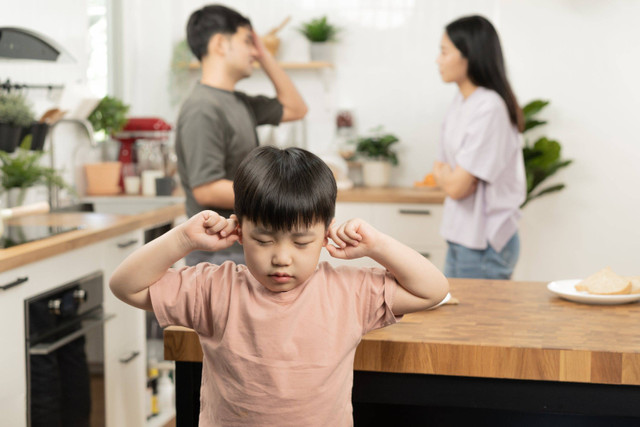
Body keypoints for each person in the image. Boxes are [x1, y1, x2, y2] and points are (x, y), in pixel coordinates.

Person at [110, 146, 449, 426]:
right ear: (239, 231)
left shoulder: (349, 290)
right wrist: (183, 237)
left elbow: (431, 290)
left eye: (302, 243)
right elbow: (126, 286)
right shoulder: (215, 287)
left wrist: (376, 244)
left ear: (326, 233)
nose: (282, 258)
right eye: (264, 240)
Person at [176, 4, 308, 266]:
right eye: (248, 41)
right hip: (216, 254)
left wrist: (265, 56)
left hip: (238, 246)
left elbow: (297, 108)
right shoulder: (203, 108)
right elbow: (207, 189)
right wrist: (278, 195)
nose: (254, 51)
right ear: (220, 44)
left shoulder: (238, 101)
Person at [433, 15, 526, 280]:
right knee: (455, 319)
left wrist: (453, 179)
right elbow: (439, 168)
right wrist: (452, 177)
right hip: (460, 235)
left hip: (484, 243)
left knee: (477, 322)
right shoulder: (461, 102)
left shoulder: (489, 107)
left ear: (468, 55)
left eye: (444, 52)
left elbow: (456, 187)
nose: (437, 60)